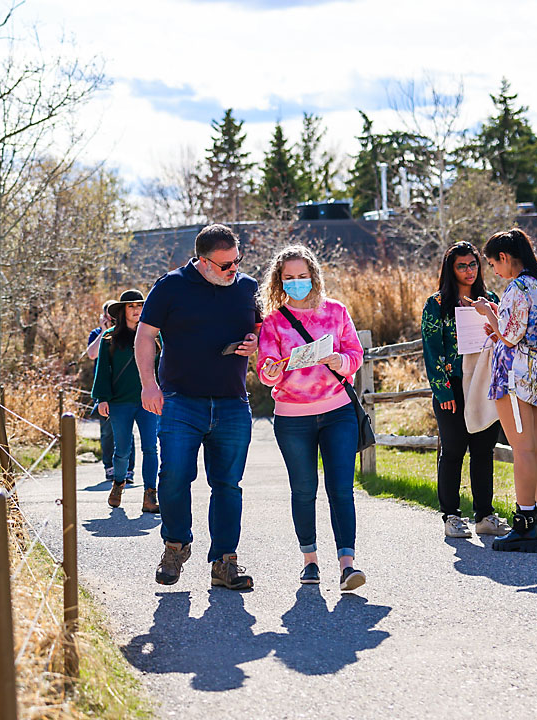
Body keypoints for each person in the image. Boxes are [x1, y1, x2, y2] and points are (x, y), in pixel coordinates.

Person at [135, 223, 261, 591]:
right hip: (179, 401)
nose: (232, 270)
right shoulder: (170, 286)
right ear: (202, 262)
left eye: (236, 261)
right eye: (224, 265)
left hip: (232, 402)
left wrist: (254, 341)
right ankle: (175, 546)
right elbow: (145, 335)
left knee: (228, 485)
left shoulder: (248, 288)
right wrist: (148, 385)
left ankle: (224, 562)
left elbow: (261, 330)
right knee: (174, 476)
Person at [256, 245, 367, 591]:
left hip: (338, 412)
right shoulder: (273, 321)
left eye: (302, 276)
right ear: (279, 281)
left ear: (313, 276)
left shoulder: (335, 311)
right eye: (289, 278)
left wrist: (341, 362)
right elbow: (265, 370)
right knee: (303, 490)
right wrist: (271, 370)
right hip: (292, 418)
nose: (297, 283)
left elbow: (355, 352)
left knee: (341, 489)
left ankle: (347, 565)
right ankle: (310, 561)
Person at [468, 228, 537, 553]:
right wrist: (500, 330)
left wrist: (488, 312)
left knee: (522, 449)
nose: (493, 270)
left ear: (505, 257)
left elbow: (509, 335)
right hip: (536, 372)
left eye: (493, 263)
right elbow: (535, 331)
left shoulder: (518, 288)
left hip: (514, 376)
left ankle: (524, 524)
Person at [421, 242, 510, 540]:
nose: (469, 271)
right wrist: (443, 391)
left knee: (484, 450)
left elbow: (503, 339)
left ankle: (484, 515)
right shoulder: (436, 304)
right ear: (451, 269)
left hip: (484, 384)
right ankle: (451, 516)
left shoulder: (491, 299)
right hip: (452, 386)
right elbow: (432, 350)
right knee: (454, 450)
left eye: (473, 264)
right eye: (462, 266)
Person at [91, 289, 160, 513]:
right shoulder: (110, 336)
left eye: (140, 306)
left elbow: (163, 367)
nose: (136, 310)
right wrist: (102, 399)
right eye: (131, 306)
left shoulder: (154, 335)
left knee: (151, 448)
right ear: (123, 310)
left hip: (148, 401)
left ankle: (150, 495)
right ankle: (118, 484)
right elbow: (103, 370)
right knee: (122, 450)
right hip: (120, 401)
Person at [87, 302, 135, 487]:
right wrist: (103, 330)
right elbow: (92, 354)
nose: (110, 319)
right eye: (107, 316)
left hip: (125, 390)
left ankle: (128, 470)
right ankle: (110, 467)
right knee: (107, 432)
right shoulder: (98, 334)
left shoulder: (129, 332)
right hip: (104, 389)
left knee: (126, 431)